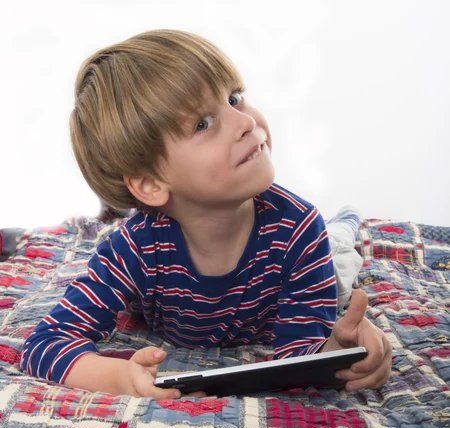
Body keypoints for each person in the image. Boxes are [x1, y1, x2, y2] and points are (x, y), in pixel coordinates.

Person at [19, 29, 392, 399]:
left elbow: (300, 351)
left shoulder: (299, 229)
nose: (245, 121)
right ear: (150, 184)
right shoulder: (131, 250)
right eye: (203, 123)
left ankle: (347, 219)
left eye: (235, 98)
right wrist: (119, 377)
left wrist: (341, 351)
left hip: (316, 252)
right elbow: (44, 344)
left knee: (340, 254)